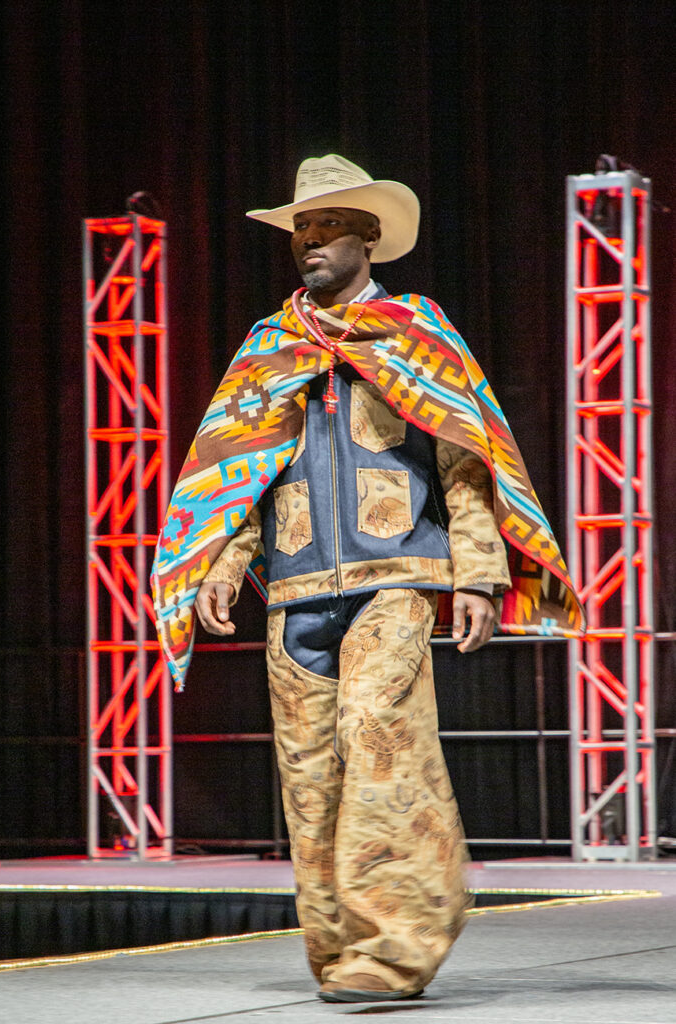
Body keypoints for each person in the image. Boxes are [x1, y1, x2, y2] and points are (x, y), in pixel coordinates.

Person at [151, 155, 582, 1003]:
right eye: (301, 229)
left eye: (327, 226)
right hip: (298, 590)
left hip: (398, 577)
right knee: (310, 776)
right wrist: (223, 561)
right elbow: (239, 471)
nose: (308, 242)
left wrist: (478, 575)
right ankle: (340, 954)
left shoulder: (417, 332)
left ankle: (396, 945)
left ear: (368, 236)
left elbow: (466, 459)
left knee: (379, 738)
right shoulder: (271, 346)